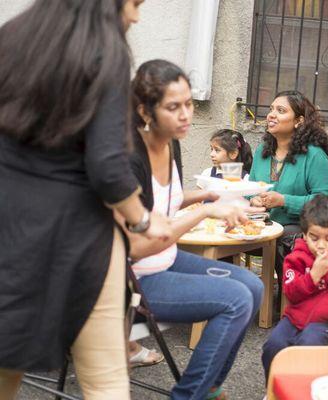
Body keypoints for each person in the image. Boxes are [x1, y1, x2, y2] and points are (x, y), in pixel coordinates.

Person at [0, 1, 172, 399]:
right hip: (77, 234)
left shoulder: (14, 37)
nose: (136, 17)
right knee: (106, 381)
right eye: (133, 4)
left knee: (6, 361)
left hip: (10, 225)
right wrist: (144, 219)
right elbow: (107, 164)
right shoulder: (104, 48)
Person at [124, 59, 264, 400]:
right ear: (144, 110)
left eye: (188, 103)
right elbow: (138, 244)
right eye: (174, 107)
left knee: (253, 286)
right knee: (235, 300)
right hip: (131, 278)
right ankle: (187, 395)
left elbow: (163, 200)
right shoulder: (128, 158)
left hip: (165, 259)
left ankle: (208, 387)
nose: (186, 114)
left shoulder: (170, 143)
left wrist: (208, 193)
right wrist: (206, 211)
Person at [261, 195, 328, 381]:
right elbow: (291, 292)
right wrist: (313, 276)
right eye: (314, 238)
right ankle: (273, 388)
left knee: (308, 346)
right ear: (304, 234)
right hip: (293, 319)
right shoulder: (296, 257)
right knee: (273, 346)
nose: (321, 245)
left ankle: (302, 390)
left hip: (327, 324)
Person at [249, 90, 328, 305]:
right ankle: (233, 301)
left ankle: (293, 301)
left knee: (284, 236)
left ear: (299, 121)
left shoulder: (314, 155)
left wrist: (284, 201)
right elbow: (251, 188)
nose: (271, 115)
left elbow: (326, 200)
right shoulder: (262, 151)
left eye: (280, 110)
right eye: (271, 109)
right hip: (261, 225)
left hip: (295, 227)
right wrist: (254, 199)